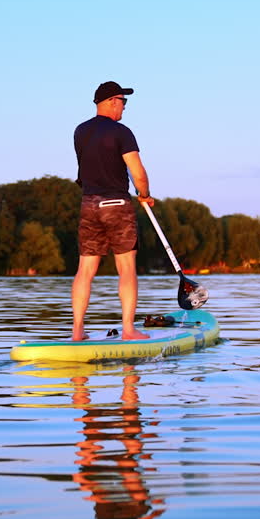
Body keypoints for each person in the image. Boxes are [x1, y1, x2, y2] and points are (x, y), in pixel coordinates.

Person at [72, 81, 154, 341]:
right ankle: (129, 330)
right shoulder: (122, 132)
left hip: (89, 204)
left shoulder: (80, 131)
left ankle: (77, 332)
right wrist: (145, 195)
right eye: (123, 101)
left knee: (85, 268)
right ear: (110, 101)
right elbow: (138, 172)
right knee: (126, 267)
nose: (124, 107)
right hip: (116, 204)